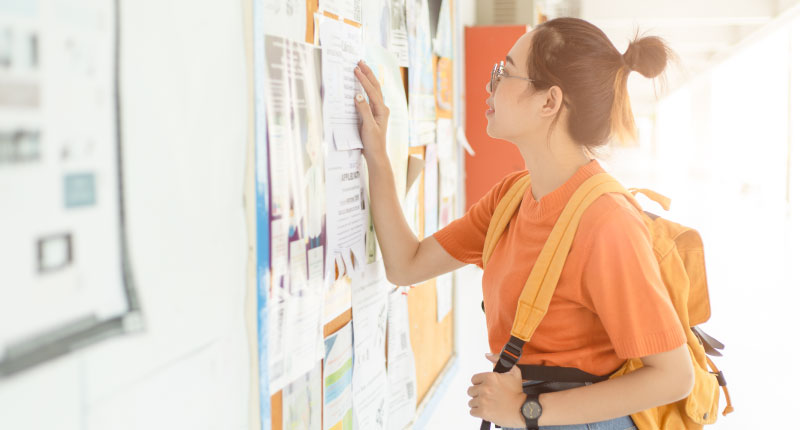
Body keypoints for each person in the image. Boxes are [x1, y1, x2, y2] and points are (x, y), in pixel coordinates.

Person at [353, 17, 693, 430]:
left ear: (549, 102)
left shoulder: (607, 223)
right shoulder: (511, 197)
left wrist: (525, 410)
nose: (489, 85)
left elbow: (674, 376)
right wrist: (378, 155)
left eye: (504, 72)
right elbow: (406, 263)